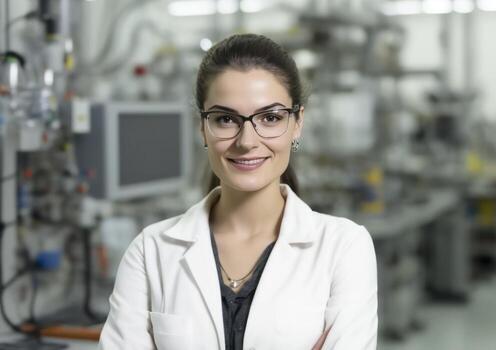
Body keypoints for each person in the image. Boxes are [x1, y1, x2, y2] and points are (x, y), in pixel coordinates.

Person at [98, 34, 378, 350]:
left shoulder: (344, 248)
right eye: (225, 119)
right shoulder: (150, 252)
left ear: (297, 123)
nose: (246, 140)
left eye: (270, 118)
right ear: (201, 127)